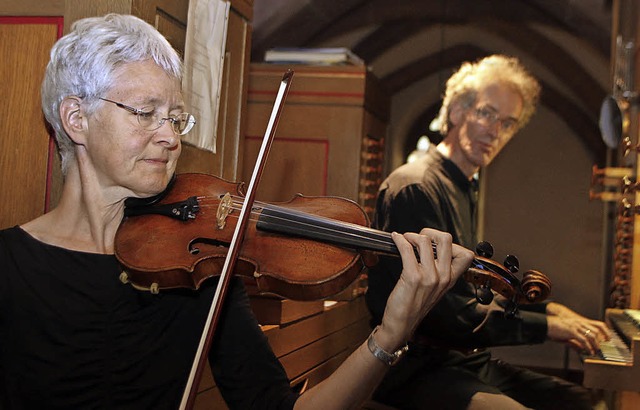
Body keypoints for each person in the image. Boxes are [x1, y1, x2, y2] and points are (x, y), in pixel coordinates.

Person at [0, 14, 475, 410]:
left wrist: (390, 334)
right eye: (146, 113)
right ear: (75, 119)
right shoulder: (9, 267)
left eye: (175, 117)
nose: (170, 137)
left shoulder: (203, 265)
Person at [365, 55, 611, 410]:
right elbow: (446, 315)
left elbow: (471, 295)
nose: (496, 131)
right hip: (414, 367)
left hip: (462, 360)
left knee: (583, 403)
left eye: (508, 123)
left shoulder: (465, 186)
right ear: (456, 113)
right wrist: (549, 329)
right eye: (487, 113)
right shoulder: (416, 187)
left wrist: (550, 312)